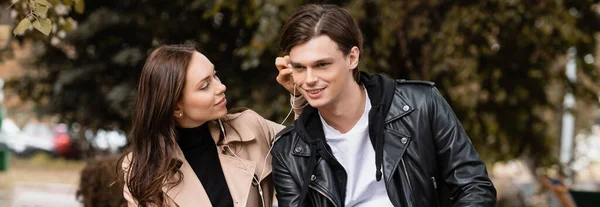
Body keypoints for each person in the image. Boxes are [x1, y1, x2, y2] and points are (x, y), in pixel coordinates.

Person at [271, 4, 497, 207]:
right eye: (300, 68)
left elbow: (474, 187)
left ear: (352, 58)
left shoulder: (421, 104)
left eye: (321, 65)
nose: (309, 79)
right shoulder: (289, 151)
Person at [119, 44, 303, 207]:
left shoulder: (250, 127)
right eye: (205, 85)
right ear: (176, 107)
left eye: (215, 75)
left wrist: (301, 94)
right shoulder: (141, 170)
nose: (221, 86)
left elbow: (309, 146)